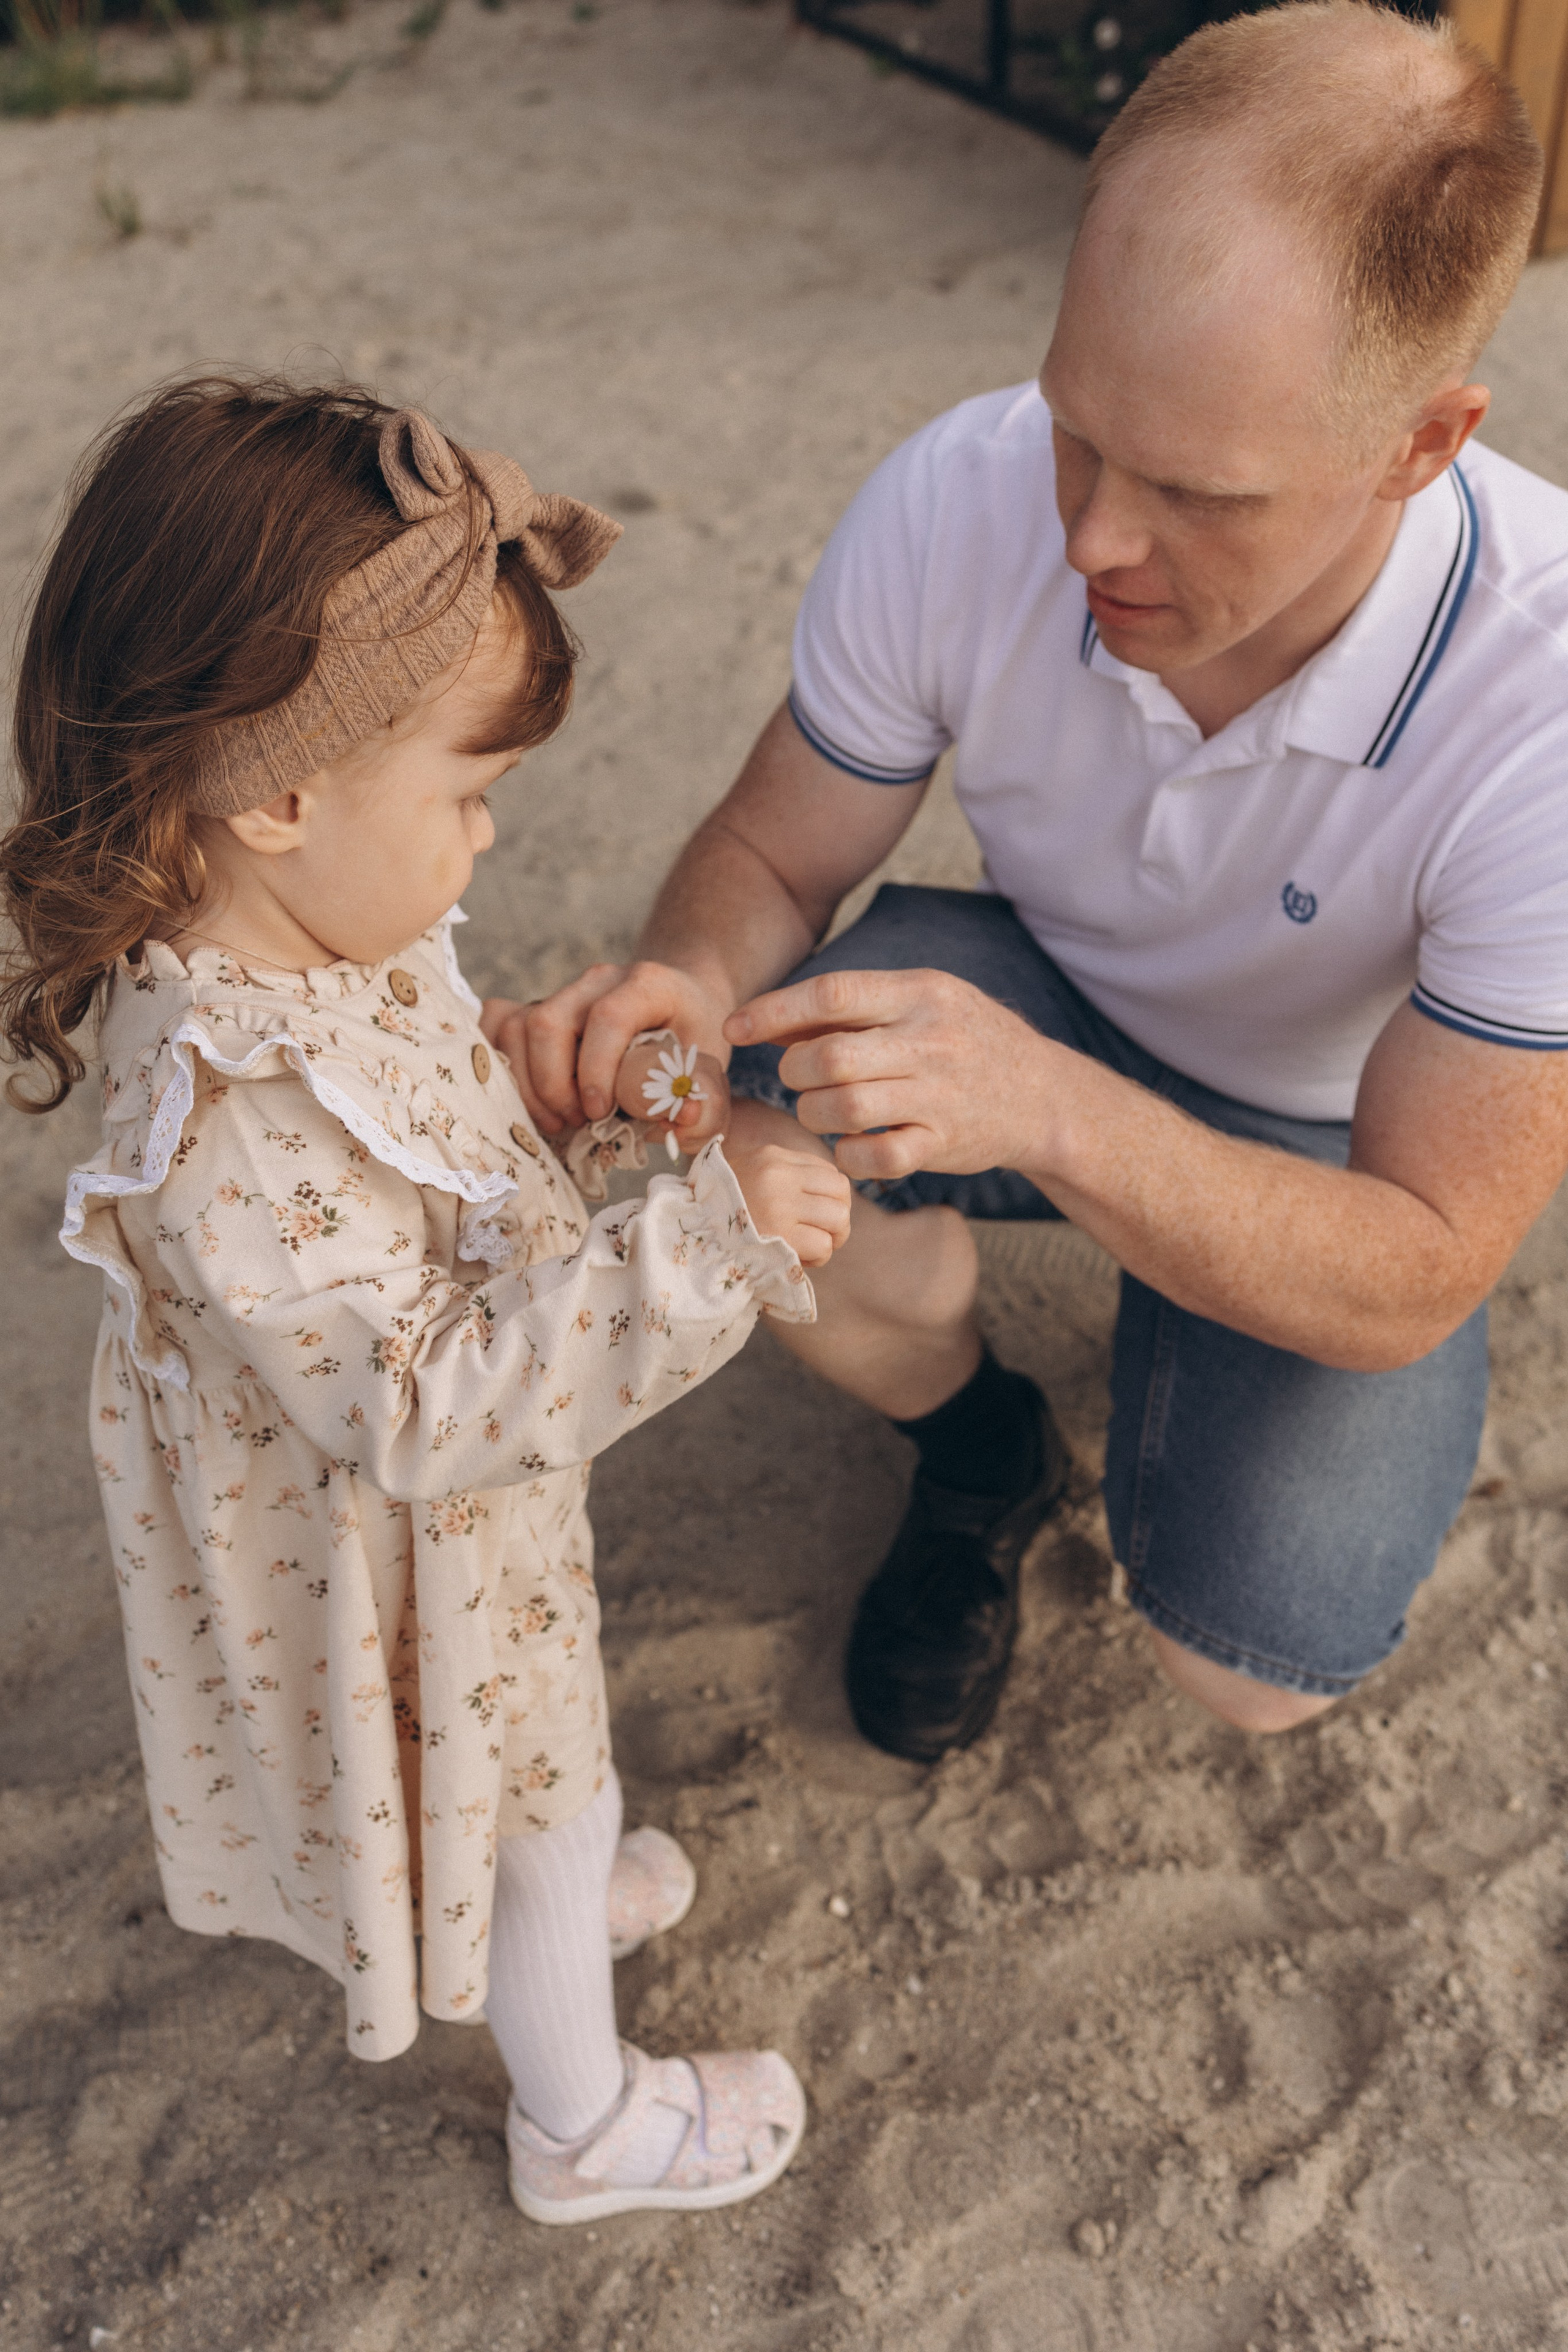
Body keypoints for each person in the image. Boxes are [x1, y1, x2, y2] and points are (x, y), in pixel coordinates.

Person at [484, 1, 1568, 1765]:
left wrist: (1065, 1124)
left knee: (1260, 1656)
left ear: (1424, 443)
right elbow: (771, 851)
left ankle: (1180, 1317)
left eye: (1203, 492)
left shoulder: (1546, 703)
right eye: (1078, 426)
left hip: (1335, 1133)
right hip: (1049, 991)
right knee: (733, 1146)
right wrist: (685, 983)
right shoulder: (963, 491)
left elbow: (1424, 1262)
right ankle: (981, 1442)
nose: (1088, 540)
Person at [0, 379, 853, 2223]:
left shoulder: (297, 935)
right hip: (405, 1556)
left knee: (563, 1737)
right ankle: (587, 2123)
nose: (482, 845)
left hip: (465, 1529)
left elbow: (398, 1121)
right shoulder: (218, 1114)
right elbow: (423, 1399)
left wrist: (529, 1088)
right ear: (284, 790)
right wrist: (700, 1239)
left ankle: (554, 1864)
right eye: (467, 795)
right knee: (537, 1793)